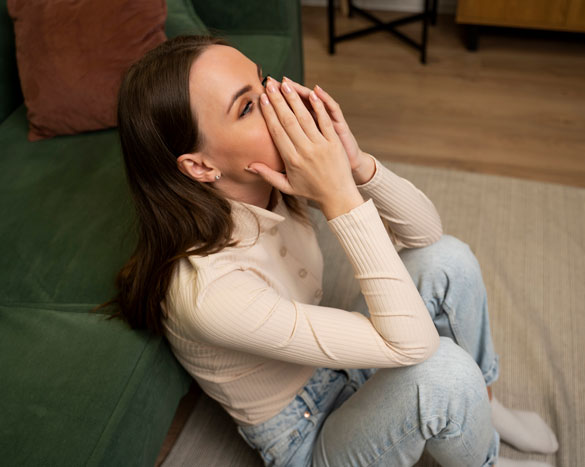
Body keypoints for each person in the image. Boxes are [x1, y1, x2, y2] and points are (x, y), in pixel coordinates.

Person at [101, 34, 559, 467]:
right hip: (306, 437)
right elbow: (415, 345)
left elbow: (427, 234)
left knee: (449, 259)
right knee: (442, 373)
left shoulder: (268, 187)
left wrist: (355, 165)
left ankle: (486, 404)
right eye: (247, 108)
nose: (281, 105)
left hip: (338, 365)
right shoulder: (209, 292)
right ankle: (486, 458)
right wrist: (339, 196)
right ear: (200, 166)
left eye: (263, 83)